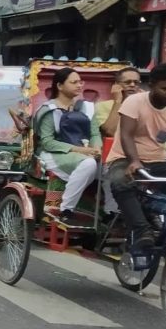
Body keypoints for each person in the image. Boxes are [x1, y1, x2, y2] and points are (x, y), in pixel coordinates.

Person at [106, 62, 166, 255]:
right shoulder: (134, 102)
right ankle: (142, 230)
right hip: (126, 158)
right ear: (151, 85)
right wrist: (134, 161)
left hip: (158, 161)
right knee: (120, 182)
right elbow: (126, 135)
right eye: (165, 89)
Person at [35, 68, 102, 225]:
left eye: (80, 82)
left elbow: (94, 133)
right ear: (59, 86)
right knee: (88, 164)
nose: (79, 85)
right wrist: (81, 150)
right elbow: (47, 142)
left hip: (83, 152)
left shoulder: (87, 108)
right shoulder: (49, 110)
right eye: (74, 82)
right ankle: (66, 210)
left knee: (110, 167)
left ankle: (111, 212)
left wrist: (97, 148)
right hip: (54, 153)